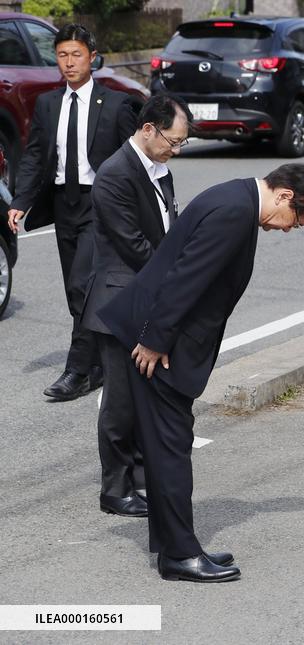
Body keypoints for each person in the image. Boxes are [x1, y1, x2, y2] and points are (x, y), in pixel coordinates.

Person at [97, 164, 304, 582]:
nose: (288, 230)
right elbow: (186, 277)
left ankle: (177, 547)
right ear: (286, 197)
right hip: (157, 345)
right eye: (296, 221)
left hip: (160, 337)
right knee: (170, 449)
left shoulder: (235, 196)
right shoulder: (235, 212)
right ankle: (180, 556)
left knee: (170, 445)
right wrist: (155, 338)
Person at [6, 24, 140, 401]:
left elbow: (133, 161)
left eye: (75, 55)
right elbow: (35, 156)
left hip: (101, 204)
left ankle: (77, 370)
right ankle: (100, 362)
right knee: (75, 290)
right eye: (62, 55)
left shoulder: (115, 104)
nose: (68, 63)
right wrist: (20, 202)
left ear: (92, 57)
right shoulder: (49, 104)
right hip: (64, 204)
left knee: (84, 283)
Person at [81, 94, 191, 519]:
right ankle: (115, 487)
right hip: (121, 300)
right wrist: (180, 277)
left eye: (182, 143)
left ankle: (144, 477)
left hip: (152, 297)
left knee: (152, 394)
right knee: (122, 402)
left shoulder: (160, 169)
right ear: (149, 129)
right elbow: (135, 246)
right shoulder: (114, 175)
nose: (176, 150)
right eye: (173, 141)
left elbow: (168, 227)